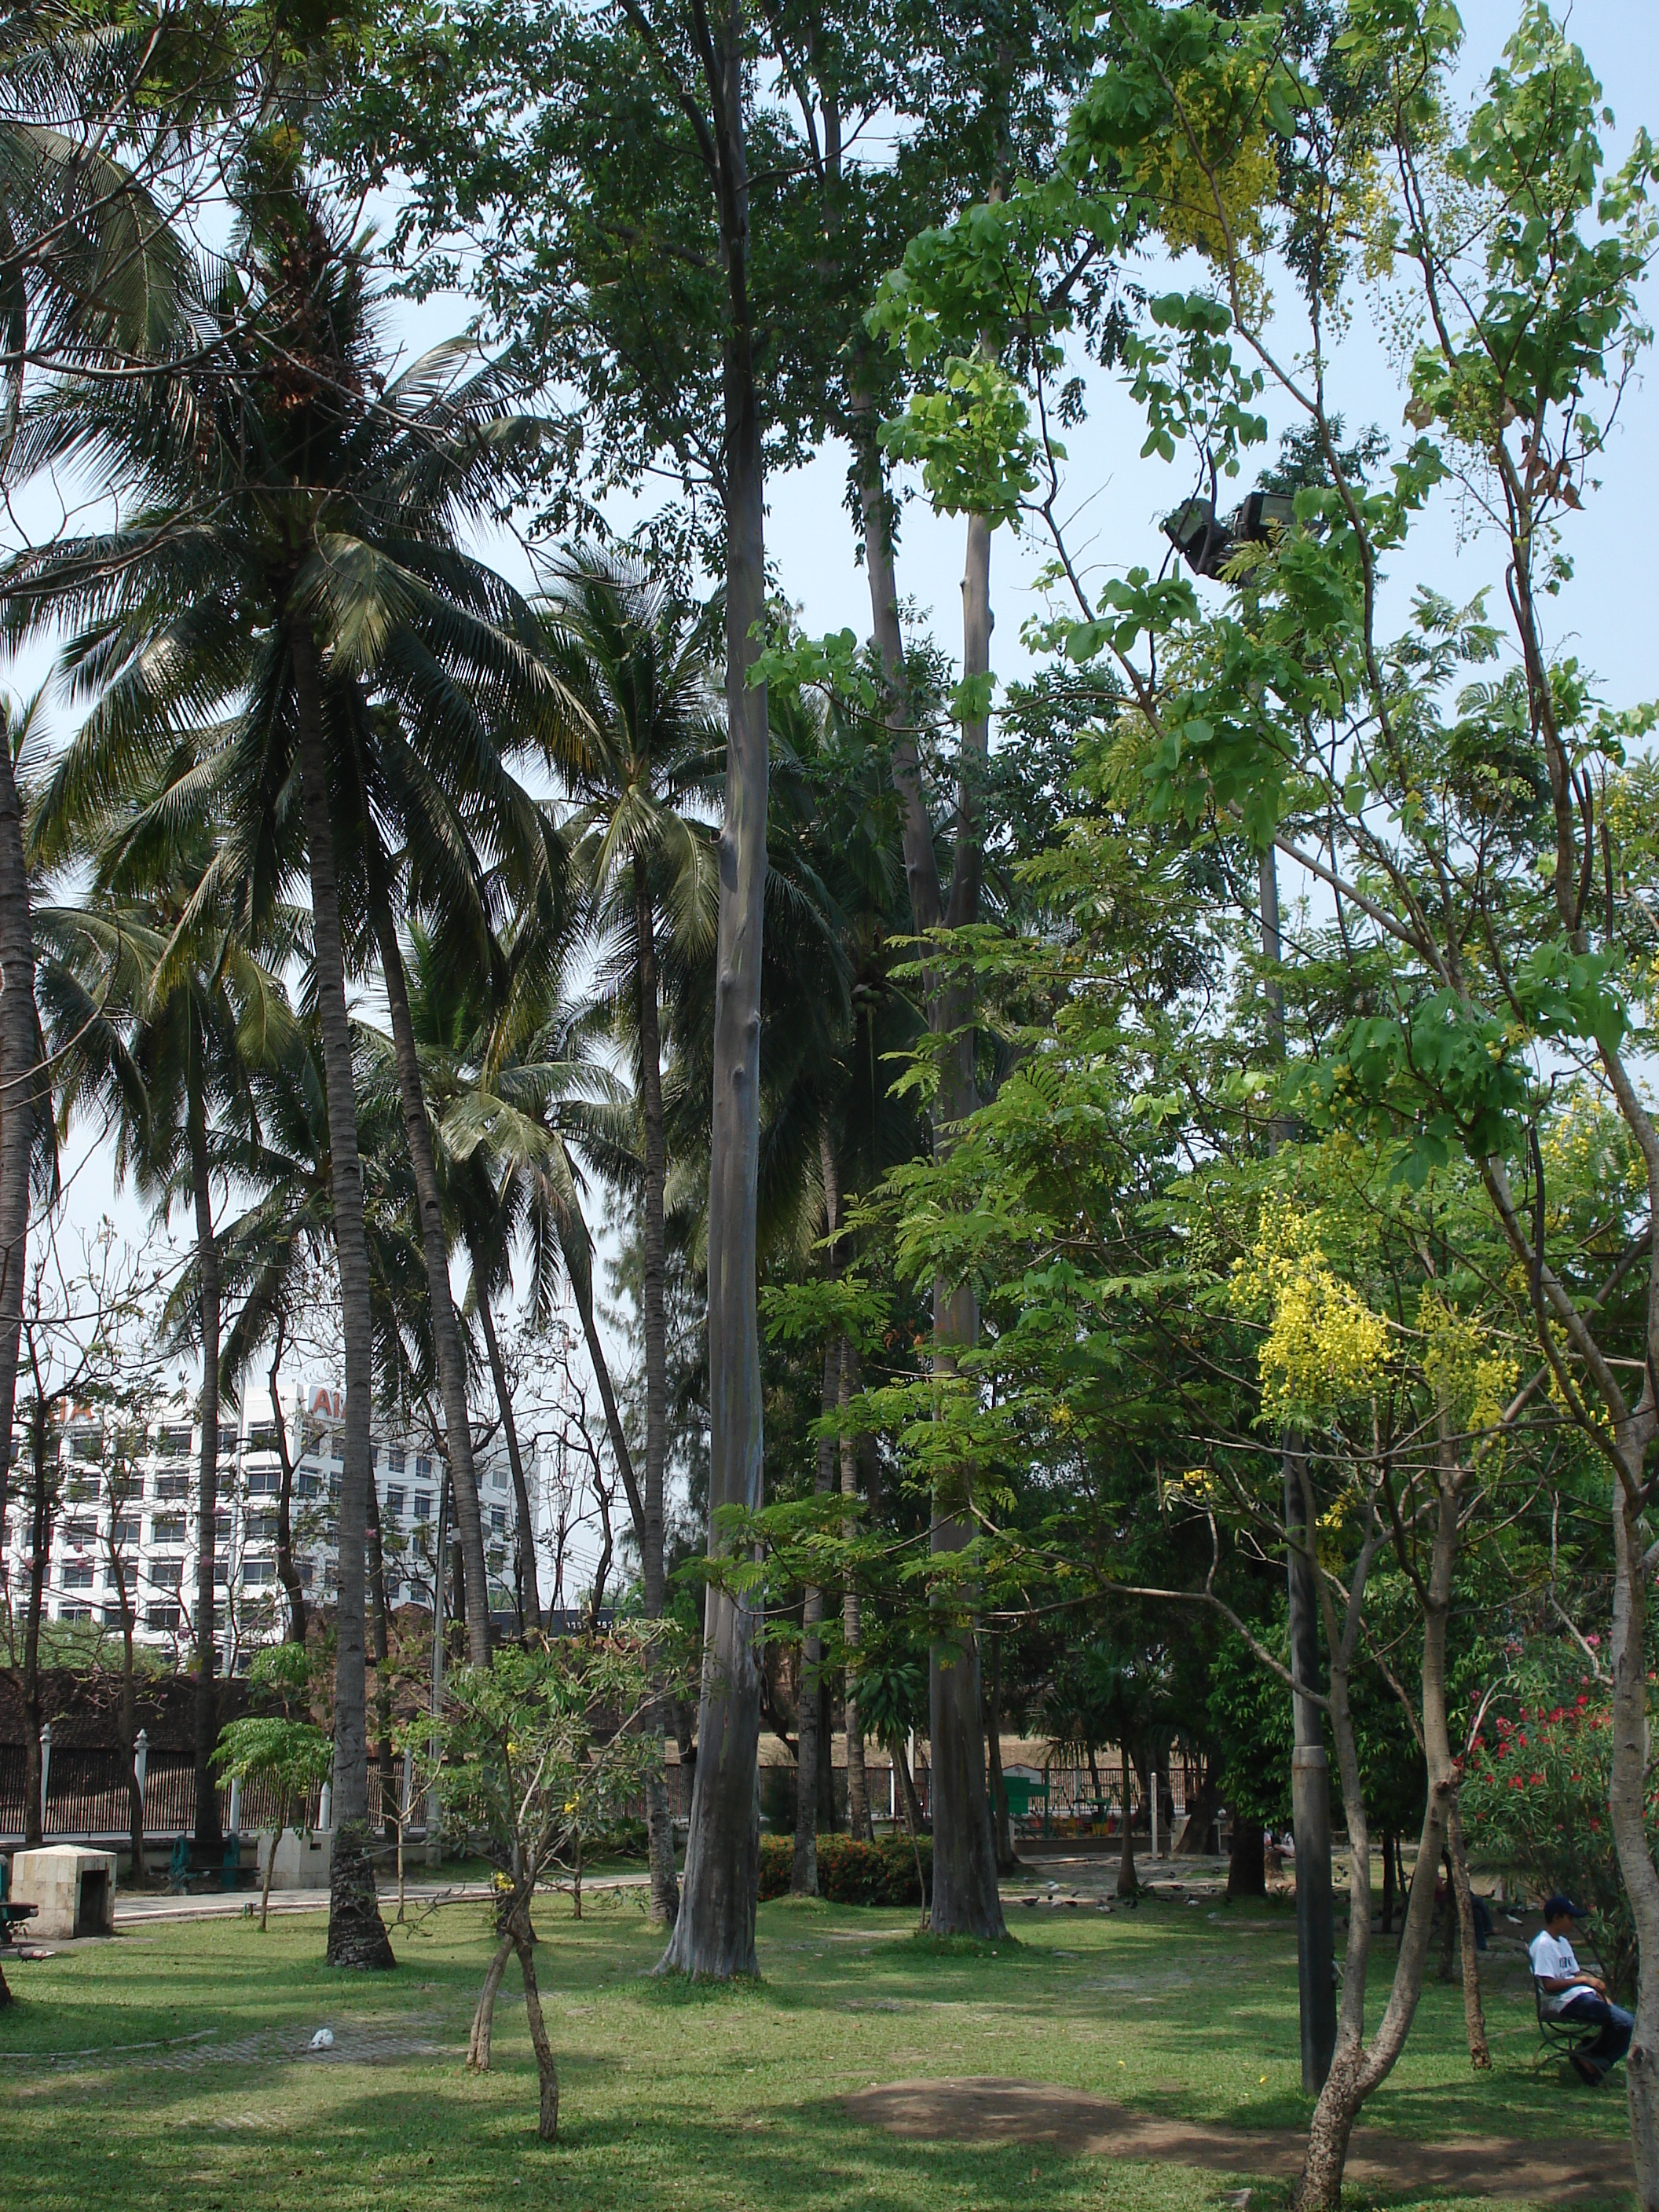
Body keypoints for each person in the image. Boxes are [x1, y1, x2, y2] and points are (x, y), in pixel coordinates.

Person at [1529, 1895, 1632, 2086]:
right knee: (1626, 2023)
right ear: (1557, 1918)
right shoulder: (1544, 1945)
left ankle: (1589, 2057)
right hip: (1561, 2002)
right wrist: (1585, 1980)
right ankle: (1591, 2059)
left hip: (1581, 1997)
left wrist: (1601, 1996)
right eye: (1569, 1918)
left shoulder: (1564, 1943)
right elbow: (1549, 1985)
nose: (1573, 1923)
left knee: (1628, 2022)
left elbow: (1576, 1974)